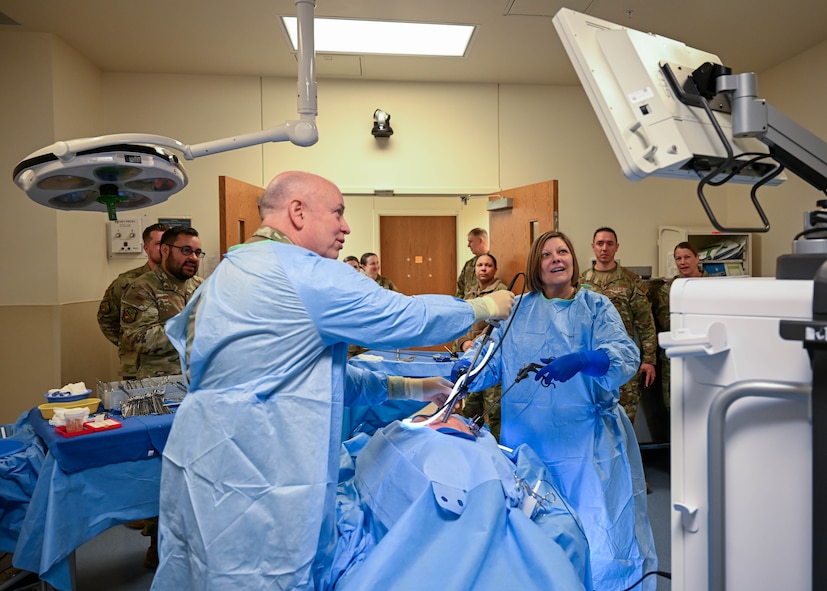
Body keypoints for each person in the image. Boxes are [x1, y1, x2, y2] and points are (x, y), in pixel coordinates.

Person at [151, 171, 514, 590]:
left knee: (205, 567)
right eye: (338, 213)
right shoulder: (304, 273)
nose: (346, 227)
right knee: (261, 573)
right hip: (261, 470)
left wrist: (410, 387)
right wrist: (483, 305)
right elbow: (405, 317)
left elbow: (310, 374)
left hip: (204, 459)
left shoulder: (233, 270)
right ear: (298, 212)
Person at [453, 230, 657, 591]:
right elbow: (491, 360)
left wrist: (584, 359)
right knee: (538, 526)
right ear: (537, 264)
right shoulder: (518, 310)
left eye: (563, 252)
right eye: (547, 254)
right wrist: (457, 374)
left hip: (587, 444)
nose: (556, 259)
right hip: (531, 443)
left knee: (596, 526)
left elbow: (625, 356)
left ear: (574, 260)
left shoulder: (595, 307)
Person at [579, 227, 657, 424]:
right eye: (600, 243)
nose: (604, 248)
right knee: (591, 417)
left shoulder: (631, 282)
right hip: (590, 358)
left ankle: (625, 456)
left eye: (609, 243)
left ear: (617, 247)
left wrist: (649, 360)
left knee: (624, 418)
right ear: (593, 247)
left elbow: (645, 323)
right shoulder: (580, 282)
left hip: (622, 359)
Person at [120, 226, 204, 380]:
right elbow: (138, 339)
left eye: (197, 253)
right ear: (165, 250)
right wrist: (192, 326)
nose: (193, 257)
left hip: (197, 379)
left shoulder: (201, 286)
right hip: (159, 384)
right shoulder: (143, 288)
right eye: (186, 250)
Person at [97, 222, 170, 379]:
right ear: (146, 248)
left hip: (174, 367)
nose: (164, 249)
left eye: (168, 244)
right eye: (158, 244)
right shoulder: (126, 282)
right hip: (137, 369)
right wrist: (130, 343)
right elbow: (107, 319)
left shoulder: (182, 282)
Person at [452, 253, 508, 439]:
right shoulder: (469, 294)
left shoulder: (502, 294)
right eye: (480, 265)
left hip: (489, 359)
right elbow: (459, 325)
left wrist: (475, 345)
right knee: (469, 410)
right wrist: (463, 342)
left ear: (495, 269)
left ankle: (500, 452)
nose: (483, 268)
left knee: (494, 413)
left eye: (488, 265)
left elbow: (498, 327)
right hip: (470, 360)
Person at [653, 241, 707, 409]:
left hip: (704, 351)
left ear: (697, 258)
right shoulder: (668, 289)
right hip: (675, 354)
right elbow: (665, 323)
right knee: (675, 406)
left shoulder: (713, 286)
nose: (682, 262)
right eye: (678, 258)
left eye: (687, 257)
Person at [456, 227, 489, 298]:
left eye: (471, 241)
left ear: (480, 241)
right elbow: (460, 289)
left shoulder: (493, 263)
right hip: (467, 306)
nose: (468, 245)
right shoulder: (469, 264)